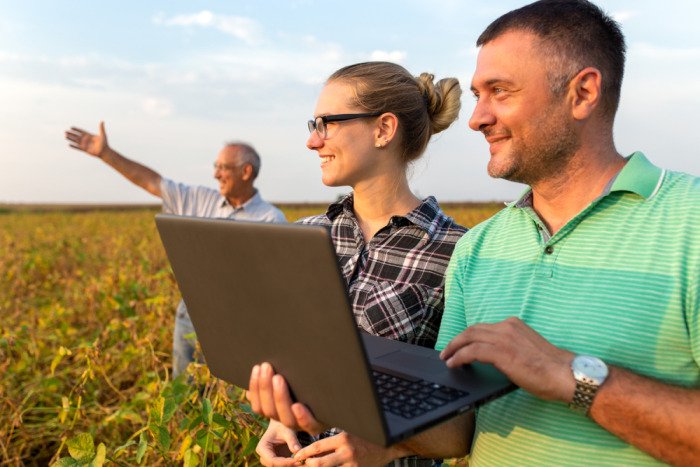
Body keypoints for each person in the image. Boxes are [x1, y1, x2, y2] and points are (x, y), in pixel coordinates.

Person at [245, 1, 700, 465]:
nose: (476, 118)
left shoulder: (692, 222)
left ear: (582, 93)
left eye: (500, 91)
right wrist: (352, 425)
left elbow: (559, 380)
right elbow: (460, 431)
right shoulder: (479, 249)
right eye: (478, 94)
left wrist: (572, 377)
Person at [246, 61, 466, 466]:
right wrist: (283, 417)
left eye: (326, 123)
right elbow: (297, 365)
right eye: (313, 125)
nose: (313, 141)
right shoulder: (301, 237)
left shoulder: (457, 252)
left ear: (383, 129)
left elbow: (468, 422)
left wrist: (385, 443)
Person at [64, 123, 287, 376]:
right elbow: (150, 181)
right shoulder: (200, 199)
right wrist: (106, 154)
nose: (216, 174)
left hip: (239, 323)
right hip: (190, 314)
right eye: (216, 166)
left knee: (229, 397)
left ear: (246, 172)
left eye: (223, 167)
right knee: (183, 391)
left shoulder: (271, 219)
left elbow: (271, 286)